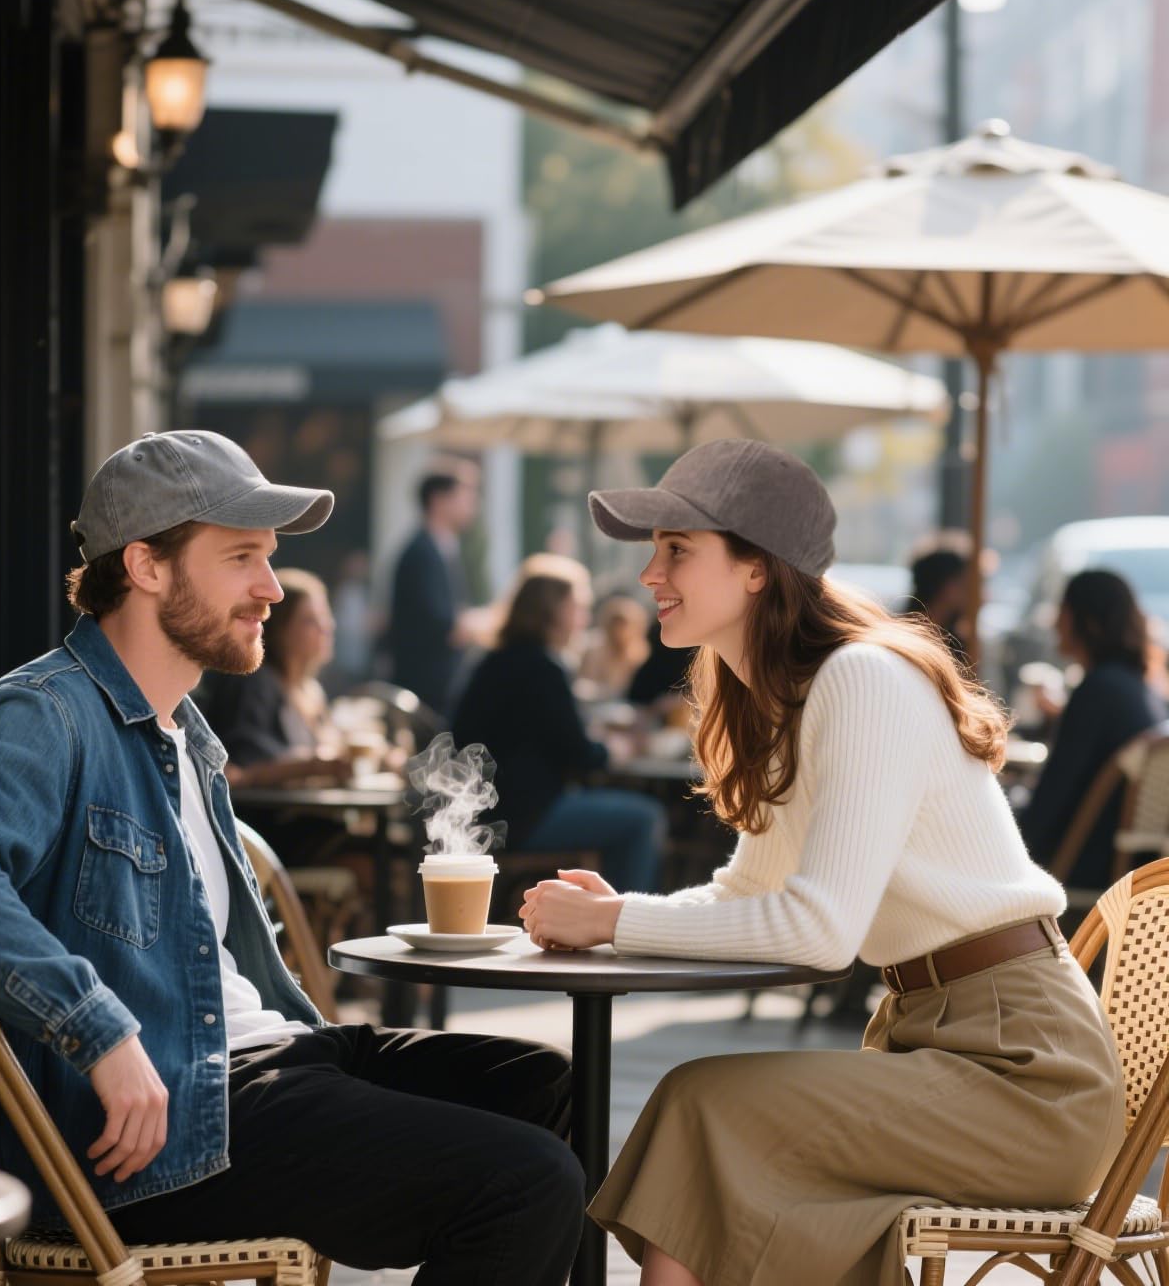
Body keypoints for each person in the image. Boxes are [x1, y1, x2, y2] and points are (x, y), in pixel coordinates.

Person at [0, 431, 584, 1285]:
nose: (272, 588)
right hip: (178, 1120)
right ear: (147, 568)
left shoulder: (187, 738)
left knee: (545, 1084)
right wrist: (99, 1031)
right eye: (242, 557)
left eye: (269, 559)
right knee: (527, 1181)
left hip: (270, 1059)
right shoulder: (46, 714)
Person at [519, 439, 1124, 1286]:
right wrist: (619, 916)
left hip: (1028, 1077)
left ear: (758, 569)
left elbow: (819, 932)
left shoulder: (863, 679)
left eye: (678, 550)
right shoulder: (791, 701)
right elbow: (749, 893)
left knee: (704, 1106)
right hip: (935, 1049)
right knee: (716, 1134)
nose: (650, 574)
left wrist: (616, 922)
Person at [453, 554, 665, 894]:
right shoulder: (543, 668)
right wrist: (615, 749)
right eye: (578, 607)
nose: (584, 619)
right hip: (525, 817)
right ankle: (623, 923)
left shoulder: (492, 661)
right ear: (553, 610)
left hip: (482, 815)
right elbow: (580, 754)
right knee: (645, 818)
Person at [1020, 569, 1167, 891]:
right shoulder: (1139, 689)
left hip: (1080, 866)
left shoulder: (1097, 691)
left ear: (1084, 621)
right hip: (1128, 867)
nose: (1054, 622)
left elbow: (1047, 806)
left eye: (1062, 611)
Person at [197, 568, 352, 789]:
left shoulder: (310, 689)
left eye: (326, 617)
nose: (326, 628)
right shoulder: (254, 684)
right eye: (310, 620)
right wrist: (313, 765)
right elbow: (245, 765)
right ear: (280, 628)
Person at [388, 460, 479, 715]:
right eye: (465, 495)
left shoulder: (442, 548)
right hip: (424, 692)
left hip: (439, 687)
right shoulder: (421, 553)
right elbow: (442, 624)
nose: (473, 503)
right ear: (439, 501)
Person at [901, 545, 970, 666]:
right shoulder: (907, 639)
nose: (982, 596)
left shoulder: (958, 638)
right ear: (949, 587)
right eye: (966, 583)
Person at [576, 594, 651, 701]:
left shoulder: (642, 654)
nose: (619, 630)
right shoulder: (593, 649)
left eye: (624, 624)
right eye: (615, 623)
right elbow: (584, 684)